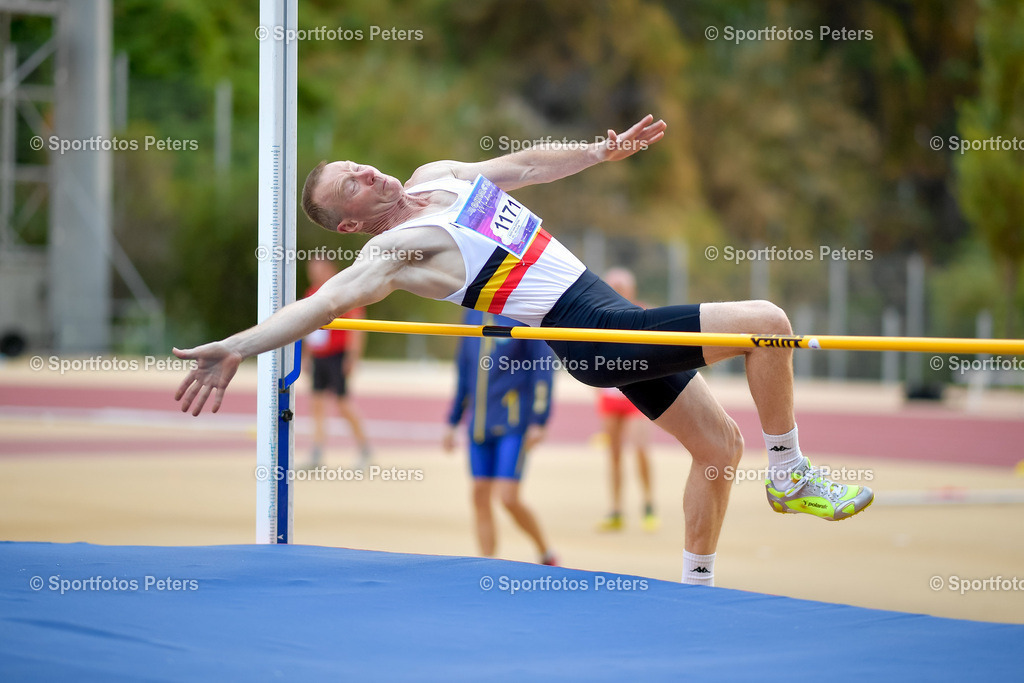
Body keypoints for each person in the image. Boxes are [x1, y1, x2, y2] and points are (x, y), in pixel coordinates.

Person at [173, 114, 874, 587]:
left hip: (610, 318)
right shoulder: (394, 250)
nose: (366, 171)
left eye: (355, 163)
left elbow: (527, 165)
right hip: (590, 333)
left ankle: (696, 590)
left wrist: (601, 151)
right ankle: (792, 474)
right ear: (351, 221)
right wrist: (238, 346)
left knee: (719, 448)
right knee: (768, 320)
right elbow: (321, 305)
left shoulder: (437, 175)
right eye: (350, 183)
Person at [442, 309, 557, 565]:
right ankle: (487, 564)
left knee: (508, 497)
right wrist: (453, 421)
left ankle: (545, 552)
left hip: (513, 422)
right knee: (479, 493)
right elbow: (463, 371)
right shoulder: (471, 315)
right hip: (480, 425)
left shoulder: (522, 313)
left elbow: (543, 367)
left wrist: (539, 419)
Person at [593, 267, 657, 533]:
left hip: (637, 394)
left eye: (622, 287)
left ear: (631, 290)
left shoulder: (643, 314)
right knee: (615, 453)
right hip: (611, 394)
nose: (617, 291)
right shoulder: (598, 316)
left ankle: (648, 504)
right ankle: (616, 509)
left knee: (640, 447)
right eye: (613, 286)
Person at [301, 256, 373, 470]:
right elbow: (307, 328)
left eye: (319, 269)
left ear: (330, 270)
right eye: (311, 270)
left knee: (343, 404)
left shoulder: (342, 291)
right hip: (319, 356)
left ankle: (364, 449)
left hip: (338, 355)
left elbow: (357, 324)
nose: (314, 274)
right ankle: (316, 453)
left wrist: (353, 356)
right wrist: (306, 355)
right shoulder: (311, 293)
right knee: (316, 404)